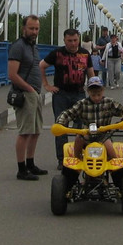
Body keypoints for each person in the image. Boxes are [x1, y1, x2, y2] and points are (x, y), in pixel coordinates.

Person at [41, 28, 91, 167]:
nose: (73, 44)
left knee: (81, 126)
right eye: (70, 41)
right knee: (61, 126)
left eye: (75, 40)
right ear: (64, 40)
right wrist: (46, 85)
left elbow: (91, 74)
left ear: (79, 39)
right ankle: (62, 159)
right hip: (61, 94)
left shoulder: (85, 54)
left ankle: (77, 154)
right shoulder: (57, 53)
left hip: (79, 93)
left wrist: (94, 91)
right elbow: (41, 65)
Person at [8, 15, 49, 181]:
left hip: (35, 94)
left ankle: (31, 163)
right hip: (25, 94)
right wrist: (29, 89)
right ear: (24, 28)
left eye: (37, 29)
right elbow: (12, 74)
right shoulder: (18, 47)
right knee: (25, 132)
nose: (34, 32)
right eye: (31, 28)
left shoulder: (33, 46)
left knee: (36, 131)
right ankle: (21, 168)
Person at [55, 76, 123, 163]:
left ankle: (117, 170)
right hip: (86, 135)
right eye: (93, 95)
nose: (96, 98)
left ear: (103, 90)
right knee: (78, 140)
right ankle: (76, 162)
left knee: (111, 151)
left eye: (99, 94)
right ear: (88, 92)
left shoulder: (109, 102)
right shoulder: (82, 104)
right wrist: (60, 122)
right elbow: (69, 113)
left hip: (104, 135)